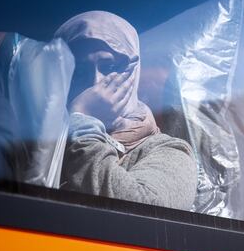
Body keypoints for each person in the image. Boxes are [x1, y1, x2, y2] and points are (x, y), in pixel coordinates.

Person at [54, 11, 197, 210]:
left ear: (133, 72)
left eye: (109, 66)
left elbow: (144, 214)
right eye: (79, 71)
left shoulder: (168, 152)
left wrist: (83, 123)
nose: (95, 83)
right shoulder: (41, 145)